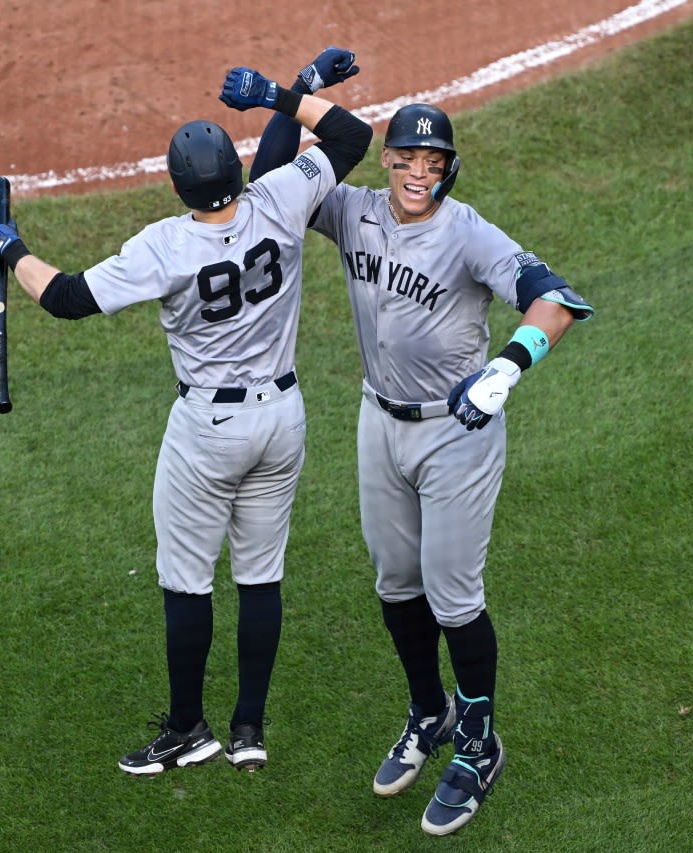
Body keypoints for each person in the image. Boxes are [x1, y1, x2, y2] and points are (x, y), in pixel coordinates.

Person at [0, 56, 371, 776]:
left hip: (208, 433)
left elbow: (65, 297)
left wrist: (12, 250)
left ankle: (189, 728)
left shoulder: (164, 246)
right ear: (236, 169)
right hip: (283, 418)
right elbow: (348, 141)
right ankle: (248, 727)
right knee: (261, 576)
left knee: (188, 580)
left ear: (179, 184)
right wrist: (295, 89)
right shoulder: (280, 201)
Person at [249, 60, 593, 834]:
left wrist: (508, 365)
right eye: (406, 158)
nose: (418, 172)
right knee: (396, 583)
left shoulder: (467, 232)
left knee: (453, 593)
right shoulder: (352, 209)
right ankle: (429, 713)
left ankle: (479, 743)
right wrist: (296, 90)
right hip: (379, 419)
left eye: (433, 162)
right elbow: (269, 179)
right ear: (389, 160)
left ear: (449, 168)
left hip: (455, 432)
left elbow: (558, 298)